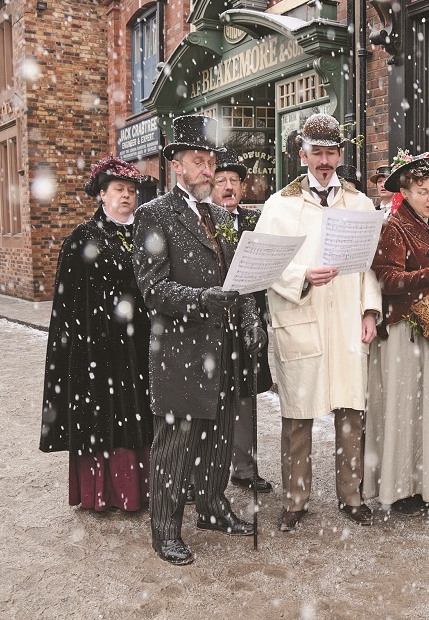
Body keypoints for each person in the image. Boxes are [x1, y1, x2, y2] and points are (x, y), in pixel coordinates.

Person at [134, 115, 266, 565]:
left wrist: (250, 316)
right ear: (177, 166)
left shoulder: (219, 217)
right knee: (174, 443)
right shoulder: (154, 216)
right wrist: (205, 299)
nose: (208, 170)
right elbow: (153, 290)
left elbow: (239, 275)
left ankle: (212, 508)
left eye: (211, 161)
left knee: (218, 434)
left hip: (223, 350)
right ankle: (165, 530)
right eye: (198, 161)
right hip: (179, 351)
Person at [255, 113, 383, 531]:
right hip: (301, 316)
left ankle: (352, 495)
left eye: (331, 153)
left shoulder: (360, 203)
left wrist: (369, 311)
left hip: (346, 317)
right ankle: (295, 500)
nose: (324, 161)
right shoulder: (280, 205)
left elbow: (367, 268)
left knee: (352, 412)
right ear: (302, 154)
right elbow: (264, 264)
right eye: (317, 153)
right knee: (297, 415)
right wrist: (301, 277)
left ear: (341, 154)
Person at [40, 155, 153, 513]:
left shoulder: (148, 234)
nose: (126, 196)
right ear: (102, 194)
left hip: (141, 344)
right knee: (104, 415)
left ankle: (144, 489)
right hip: (97, 349)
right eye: (119, 189)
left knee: (140, 413)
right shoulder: (81, 239)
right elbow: (68, 306)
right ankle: (103, 492)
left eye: (132, 190)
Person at [364, 156, 429, 515]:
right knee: (403, 409)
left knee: (426, 410)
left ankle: (424, 485)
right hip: (403, 331)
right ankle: (397, 488)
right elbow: (386, 280)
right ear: (405, 193)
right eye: (421, 191)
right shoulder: (394, 227)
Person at [211, 150, 275, 493]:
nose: (228, 186)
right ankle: (201, 473)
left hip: (248, 321)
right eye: (221, 181)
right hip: (212, 321)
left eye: (234, 181)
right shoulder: (201, 222)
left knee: (245, 396)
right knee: (209, 397)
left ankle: (245, 467)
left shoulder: (255, 222)